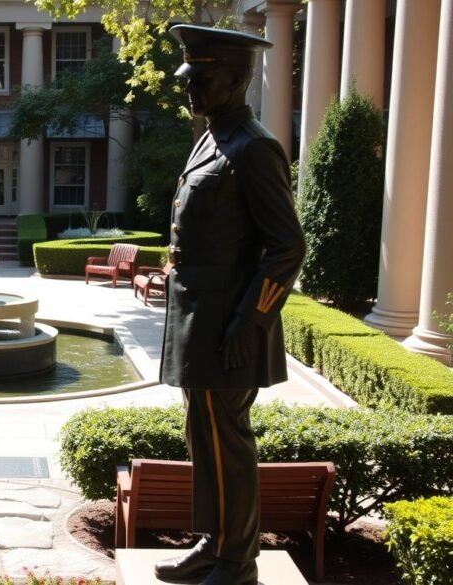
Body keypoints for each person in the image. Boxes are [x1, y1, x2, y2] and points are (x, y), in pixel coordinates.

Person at [153, 24, 306, 585]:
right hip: (202, 320)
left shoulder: (254, 147)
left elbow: (287, 245)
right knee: (205, 435)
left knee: (228, 439)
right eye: (189, 77)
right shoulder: (211, 136)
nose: (190, 88)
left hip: (230, 326)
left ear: (238, 78)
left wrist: (251, 320)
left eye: (203, 77)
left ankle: (238, 561)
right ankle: (214, 543)